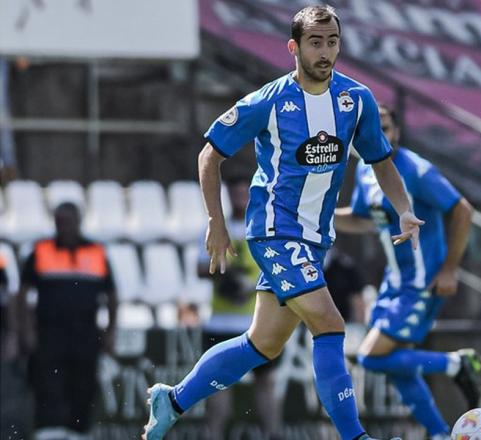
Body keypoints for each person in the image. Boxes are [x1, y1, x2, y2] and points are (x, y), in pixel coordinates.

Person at [142, 6, 423, 440]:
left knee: (263, 344)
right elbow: (209, 156)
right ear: (294, 47)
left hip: (314, 240)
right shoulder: (268, 101)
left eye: (332, 42)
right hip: (273, 231)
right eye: (315, 42)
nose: (325, 51)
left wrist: (403, 207)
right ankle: (356, 437)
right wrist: (216, 221)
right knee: (329, 324)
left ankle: (173, 399)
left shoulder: (356, 100)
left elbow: (381, 161)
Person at [334, 104, 480, 440]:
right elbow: (364, 220)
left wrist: (449, 269)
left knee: (370, 357)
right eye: (372, 129)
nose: (380, 135)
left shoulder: (415, 169)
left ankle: (456, 364)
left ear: (397, 132)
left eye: (386, 128)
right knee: (400, 367)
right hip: (394, 283)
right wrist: (316, 216)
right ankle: (440, 434)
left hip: (421, 281)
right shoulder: (367, 171)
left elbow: (462, 211)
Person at [14, 201, 118, 439]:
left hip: (86, 333)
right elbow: (22, 294)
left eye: (68, 221)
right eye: (59, 222)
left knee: (83, 388)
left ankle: (79, 433)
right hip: (49, 333)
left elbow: (111, 295)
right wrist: (25, 330)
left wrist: (111, 331)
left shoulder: (96, 252)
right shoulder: (41, 250)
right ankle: (47, 434)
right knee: (48, 389)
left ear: (78, 222)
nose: (64, 227)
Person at [197, 176, 282, 440]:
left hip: (259, 322)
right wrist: (226, 274)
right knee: (218, 386)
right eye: (234, 194)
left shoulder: (266, 228)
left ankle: (274, 434)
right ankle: (214, 435)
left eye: (244, 193)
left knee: (266, 383)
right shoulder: (217, 228)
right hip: (221, 321)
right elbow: (200, 268)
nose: (239, 199)